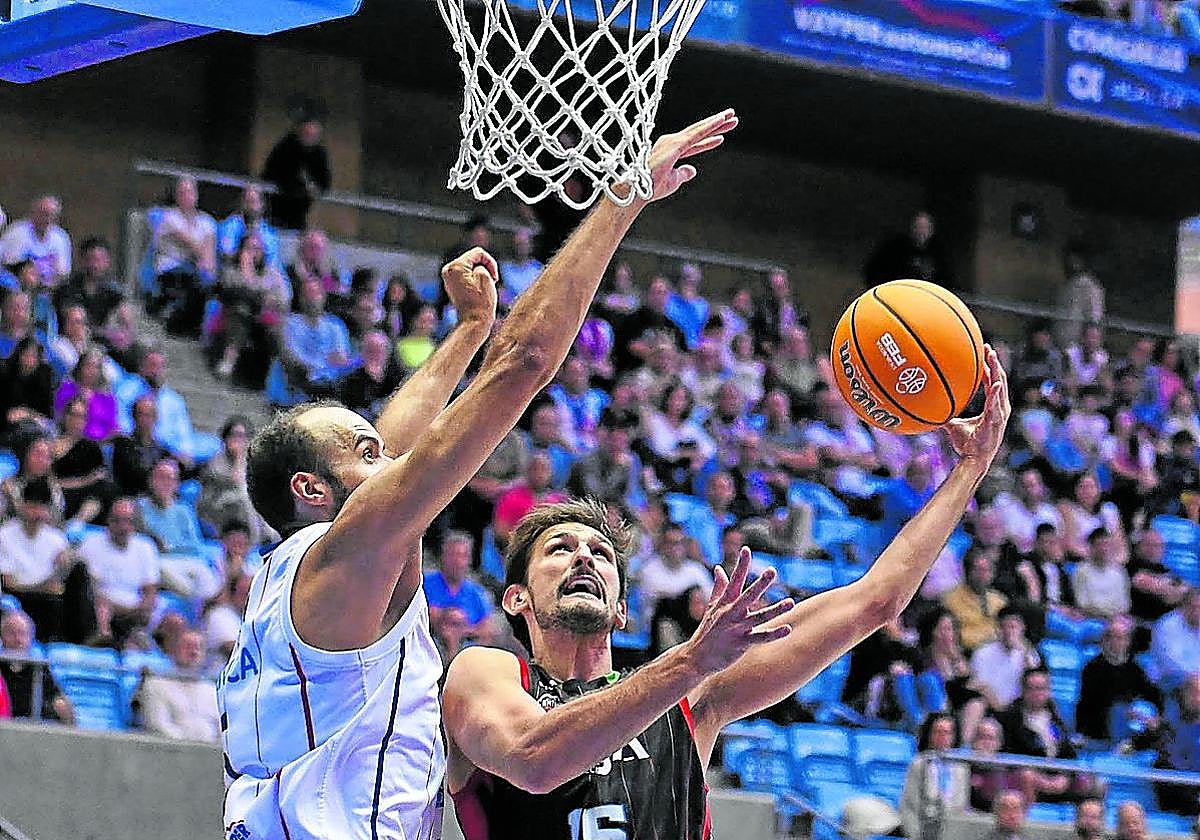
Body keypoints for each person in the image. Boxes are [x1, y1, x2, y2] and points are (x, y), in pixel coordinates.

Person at [217, 110, 740, 840]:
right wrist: (624, 194)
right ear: (314, 490)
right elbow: (526, 365)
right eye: (364, 455)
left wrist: (465, 332)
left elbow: (392, 447)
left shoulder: (297, 575)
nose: (391, 457)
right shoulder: (346, 554)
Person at [439, 346, 1009, 839]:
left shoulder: (691, 700)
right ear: (516, 599)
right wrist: (689, 662)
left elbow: (875, 601)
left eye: (603, 554)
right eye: (560, 548)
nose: (585, 555)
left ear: (620, 610)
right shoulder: (486, 673)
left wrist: (971, 468)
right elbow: (534, 758)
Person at [0, 478, 76, 642]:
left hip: (48, 600)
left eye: (42, 508)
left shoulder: (57, 539)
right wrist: (42, 587)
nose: (37, 514)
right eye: (33, 507)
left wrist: (63, 567)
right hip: (17, 597)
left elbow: (58, 585)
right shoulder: (5, 535)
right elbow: (9, 583)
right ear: (23, 505)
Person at [78, 497, 160, 647]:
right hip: (103, 610)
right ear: (108, 521)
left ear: (135, 524)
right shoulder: (90, 544)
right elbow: (89, 589)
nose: (122, 526)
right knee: (101, 608)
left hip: (135, 612)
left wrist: (142, 608)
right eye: (116, 520)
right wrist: (119, 608)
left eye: (128, 521)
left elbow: (150, 590)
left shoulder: (146, 547)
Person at [1076, 615, 1161, 742]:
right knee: (1119, 712)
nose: (1114, 642)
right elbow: (1093, 705)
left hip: (1130, 725)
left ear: (1128, 641)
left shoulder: (1136, 669)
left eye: (1119, 638)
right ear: (1103, 640)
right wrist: (1128, 712)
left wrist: (1152, 718)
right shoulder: (1092, 668)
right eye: (1110, 637)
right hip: (1100, 729)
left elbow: (1153, 696)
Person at [139, 627, 220, 742]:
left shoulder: (212, 689)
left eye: (198, 648)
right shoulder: (155, 685)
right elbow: (158, 725)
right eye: (187, 646)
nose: (193, 652)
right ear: (173, 650)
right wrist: (190, 746)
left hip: (212, 752)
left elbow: (222, 729)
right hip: (173, 752)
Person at [899, 713, 971, 840]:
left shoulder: (962, 767)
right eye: (938, 732)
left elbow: (962, 806)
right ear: (930, 735)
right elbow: (909, 806)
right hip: (924, 828)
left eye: (947, 732)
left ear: (953, 736)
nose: (942, 737)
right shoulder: (919, 763)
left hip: (953, 829)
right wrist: (916, 836)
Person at [424, 532, 498, 646]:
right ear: (442, 556)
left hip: (468, 648)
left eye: (462, 556)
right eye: (452, 555)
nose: (456, 561)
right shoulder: (425, 583)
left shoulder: (476, 592)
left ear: (469, 560)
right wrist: (445, 617)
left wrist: (463, 631)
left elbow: (488, 628)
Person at [261, 110, 331, 230]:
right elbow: (271, 173)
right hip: (275, 206)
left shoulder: (320, 153)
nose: (310, 137)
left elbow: (324, 182)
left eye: (313, 135)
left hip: (300, 213)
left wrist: (313, 187)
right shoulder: (285, 147)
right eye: (307, 133)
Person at [0, 610, 74, 723]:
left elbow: (57, 700)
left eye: (22, 633)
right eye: (11, 633)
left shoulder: (39, 668)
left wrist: (64, 710)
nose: (18, 639)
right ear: (2, 636)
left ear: (31, 638)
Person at [970, 607, 1042, 711]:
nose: (1009, 632)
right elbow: (981, 686)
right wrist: (1000, 709)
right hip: (990, 707)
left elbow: (1034, 682)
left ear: (1022, 629)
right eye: (1005, 627)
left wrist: (1024, 652)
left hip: (1019, 708)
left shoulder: (1029, 653)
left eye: (1014, 627)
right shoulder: (982, 652)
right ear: (998, 629)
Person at [0, 195, 71, 284]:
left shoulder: (61, 238)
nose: (47, 219)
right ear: (33, 213)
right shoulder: (17, 232)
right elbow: (8, 266)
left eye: (52, 215)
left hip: (49, 291)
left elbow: (63, 273)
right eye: (43, 214)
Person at [1151, 587, 1200, 690]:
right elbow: (1171, 664)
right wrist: (1195, 677)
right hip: (1171, 681)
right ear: (1184, 607)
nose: (1197, 612)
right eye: (1193, 607)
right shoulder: (1166, 626)